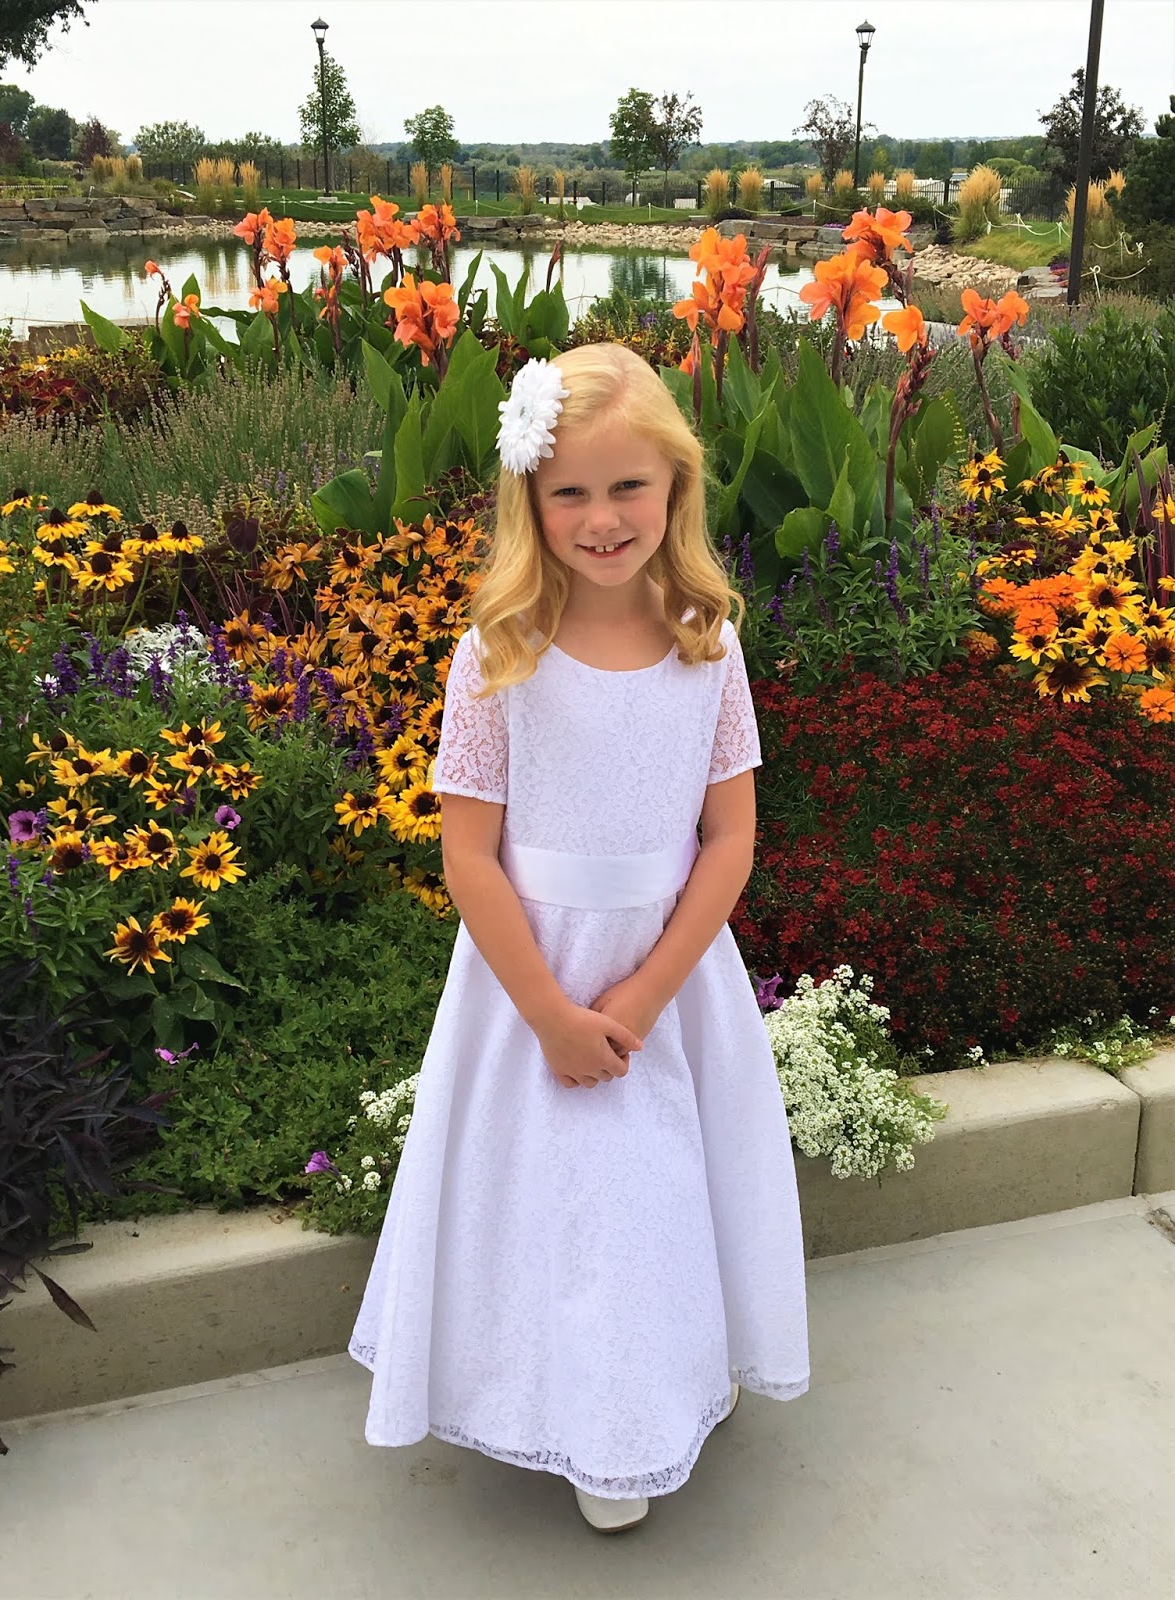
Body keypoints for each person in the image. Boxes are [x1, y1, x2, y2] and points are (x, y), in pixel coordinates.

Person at [348, 342, 809, 1534]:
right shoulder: (499, 651)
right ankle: (572, 1411)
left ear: (676, 485)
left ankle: (656, 1391)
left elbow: (729, 840)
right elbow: (469, 855)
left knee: (659, 1191)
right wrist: (550, 1012)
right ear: (531, 498)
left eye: (628, 487)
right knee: (555, 1200)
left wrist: (646, 992)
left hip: (669, 976)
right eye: (570, 493)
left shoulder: (708, 639)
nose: (602, 519)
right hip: (531, 979)